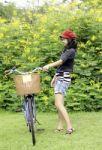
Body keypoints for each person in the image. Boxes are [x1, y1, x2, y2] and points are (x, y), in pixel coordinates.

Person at [43, 29, 77, 134]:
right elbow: (62, 66)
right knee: (59, 104)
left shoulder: (71, 51)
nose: (62, 40)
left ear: (69, 39)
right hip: (60, 76)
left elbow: (60, 62)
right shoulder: (66, 50)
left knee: (58, 104)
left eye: (64, 38)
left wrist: (48, 65)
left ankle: (70, 127)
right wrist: (54, 76)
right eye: (61, 38)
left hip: (63, 78)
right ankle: (60, 126)